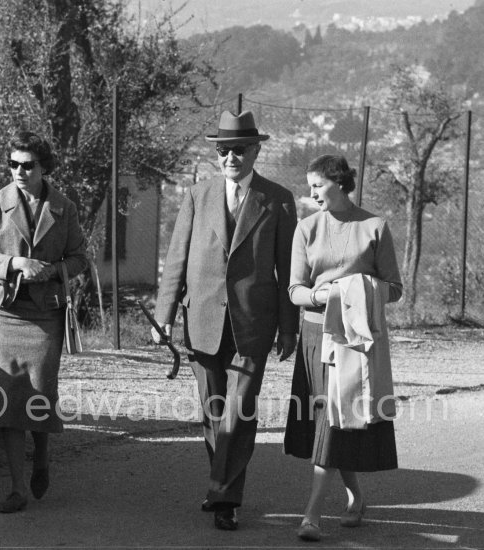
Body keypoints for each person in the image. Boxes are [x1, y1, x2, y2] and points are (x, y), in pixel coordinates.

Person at [151, 110, 299, 530]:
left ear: (255, 151)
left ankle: (224, 498)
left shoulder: (278, 198)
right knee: (213, 413)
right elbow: (176, 258)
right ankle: (223, 489)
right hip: (203, 321)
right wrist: (163, 315)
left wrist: (288, 326)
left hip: (254, 323)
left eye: (238, 150)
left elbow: (288, 268)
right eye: (223, 151)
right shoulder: (198, 195)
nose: (230, 158)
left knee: (239, 412)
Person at [283, 154, 403, 541]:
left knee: (336, 422)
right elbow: (295, 290)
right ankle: (355, 497)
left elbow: (395, 289)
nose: (312, 193)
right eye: (310, 186)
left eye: (317, 185)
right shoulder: (305, 228)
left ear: (339, 182)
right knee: (329, 422)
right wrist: (324, 295)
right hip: (315, 337)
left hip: (356, 341)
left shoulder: (375, 226)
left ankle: (312, 515)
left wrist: (355, 290)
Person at [0, 131, 87, 513]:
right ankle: (18, 488)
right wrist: (15, 263)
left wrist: (52, 271)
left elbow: (79, 259)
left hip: (43, 314)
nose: (19, 171)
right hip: (0, 312)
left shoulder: (64, 207)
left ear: (44, 167)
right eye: (13, 164)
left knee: (39, 392)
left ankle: (42, 456)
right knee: (6, 397)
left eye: (27, 165)